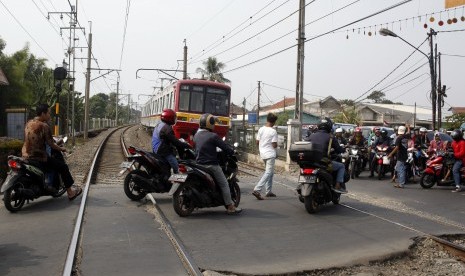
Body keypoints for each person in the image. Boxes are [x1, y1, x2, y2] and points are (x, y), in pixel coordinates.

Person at [21, 104, 82, 200]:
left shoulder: (28, 123)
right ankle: (70, 192)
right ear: (43, 113)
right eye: (48, 113)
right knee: (63, 167)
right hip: (39, 157)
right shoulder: (44, 126)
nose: (49, 115)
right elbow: (51, 144)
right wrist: (63, 149)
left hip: (25, 155)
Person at [193, 113, 242, 214]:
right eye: (212, 122)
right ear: (210, 124)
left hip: (198, 164)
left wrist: (215, 118)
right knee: (224, 184)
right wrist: (233, 151)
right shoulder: (213, 136)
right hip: (211, 165)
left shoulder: (197, 135)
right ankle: (230, 207)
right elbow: (225, 147)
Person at [307, 117, 347, 193]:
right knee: (341, 166)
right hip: (323, 162)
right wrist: (344, 150)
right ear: (329, 126)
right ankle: (337, 185)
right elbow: (339, 150)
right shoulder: (331, 137)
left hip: (311, 161)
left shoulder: (311, 136)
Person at [152, 109, 190, 174]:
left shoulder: (160, 124)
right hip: (162, 151)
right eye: (174, 118)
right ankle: (178, 178)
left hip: (155, 149)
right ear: (169, 118)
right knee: (177, 167)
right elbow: (175, 142)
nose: (174, 119)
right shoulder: (167, 128)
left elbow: (170, 139)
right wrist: (187, 145)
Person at [251, 113, 278, 200]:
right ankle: (257, 189)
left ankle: (268, 191)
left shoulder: (261, 129)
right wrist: (277, 145)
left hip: (263, 153)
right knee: (269, 172)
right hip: (270, 154)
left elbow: (257, 142)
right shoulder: (273, 131)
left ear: (267, 120)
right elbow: (274, 145)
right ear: (273, 122)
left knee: (270, 172)